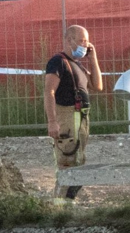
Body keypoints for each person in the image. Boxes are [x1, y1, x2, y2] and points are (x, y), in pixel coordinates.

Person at [44, 24, 103, 200]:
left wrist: (93, 58)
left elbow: (97, 86)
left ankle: (68, 201)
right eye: (81, 41)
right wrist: (52, 121)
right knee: (68, 161)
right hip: (67, 117)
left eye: (87, 41)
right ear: (69, 41)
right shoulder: (58, 62)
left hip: (81, 118)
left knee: (79, 162)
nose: (85, 45)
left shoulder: (77, 65)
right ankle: (59, 204)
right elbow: (49, 91)